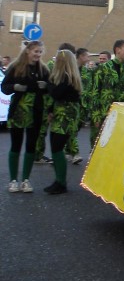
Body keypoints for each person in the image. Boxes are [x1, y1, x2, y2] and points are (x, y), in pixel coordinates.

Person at [1, 40, 49, 192]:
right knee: (16, 145)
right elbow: (4, 87)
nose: (38, 54)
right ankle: (13, 180)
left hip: (35, 111)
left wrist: (46, 86)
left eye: (40, 52)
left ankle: (26, 180)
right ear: (28, 51)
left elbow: (51, 88)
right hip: (18, 111)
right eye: (36, 51)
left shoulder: (43, 69)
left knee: (30, 146)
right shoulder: (15, 66)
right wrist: (15, 87)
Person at [43, 49, 82, 194]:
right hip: (62, 115)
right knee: (56, 147)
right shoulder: (69, 76)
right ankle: (59, 180)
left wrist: (48, 84)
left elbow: (56, 93)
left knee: (57, 148)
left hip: (65, 116)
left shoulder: (67, 77)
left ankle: (61, 182)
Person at [36, 42, 75, 163]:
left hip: (53, 103)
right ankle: (39, 155)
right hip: (50, 102)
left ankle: (42, 154)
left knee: (51, 134)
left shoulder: (60, 67)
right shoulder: (54, 66)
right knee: (44, 131)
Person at [91, 40, 124, 147]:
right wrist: (96, 116)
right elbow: (95, 91)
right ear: (118, 50)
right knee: (98, 145)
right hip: (104, 114)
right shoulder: (104, 68)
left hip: (120, 114)